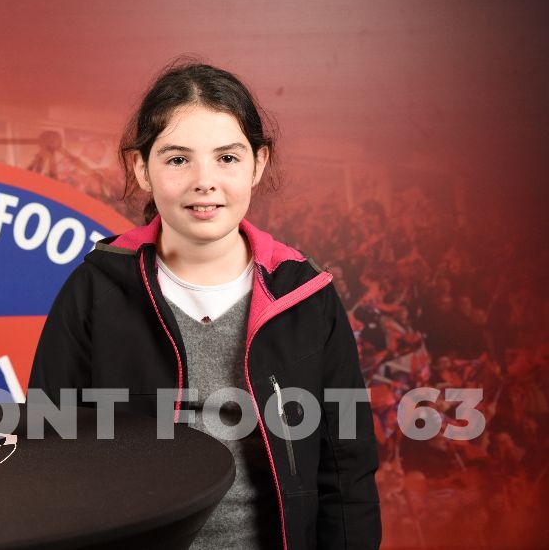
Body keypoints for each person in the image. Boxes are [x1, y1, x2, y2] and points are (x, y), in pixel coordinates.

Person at [28, 62, 381, 549]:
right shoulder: (95, 290)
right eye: (178, 159)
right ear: (141, 168)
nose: (204, 181)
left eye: (227, 158)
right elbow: (48, 460)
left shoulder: (305, 296)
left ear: (258, 164)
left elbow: (347, 468)